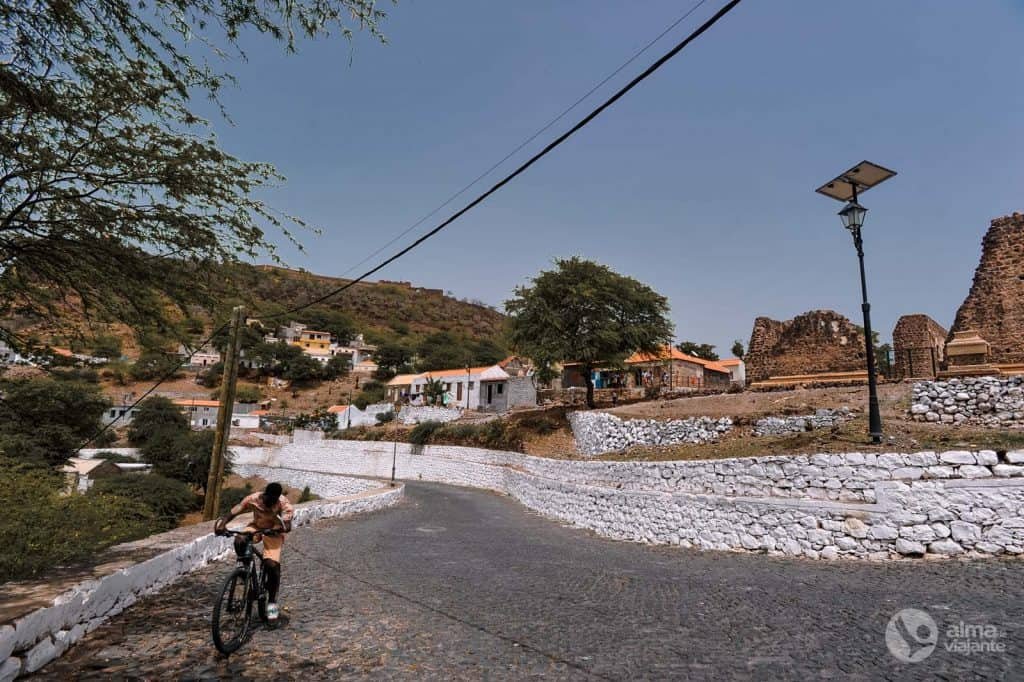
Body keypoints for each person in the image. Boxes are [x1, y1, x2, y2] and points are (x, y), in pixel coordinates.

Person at [215, 482, 294, 621]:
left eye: (274, 501)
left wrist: (279, 529)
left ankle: (272, 602)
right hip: (256, 527)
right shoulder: (254, 498)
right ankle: (245, 573)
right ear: (265, 495)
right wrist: (223, 523)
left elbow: (287, 526)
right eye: (269, 500)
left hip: (274, 531)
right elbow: (237, 509)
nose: (271, 503)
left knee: (271, 565)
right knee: (239, 540)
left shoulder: (284, 503)